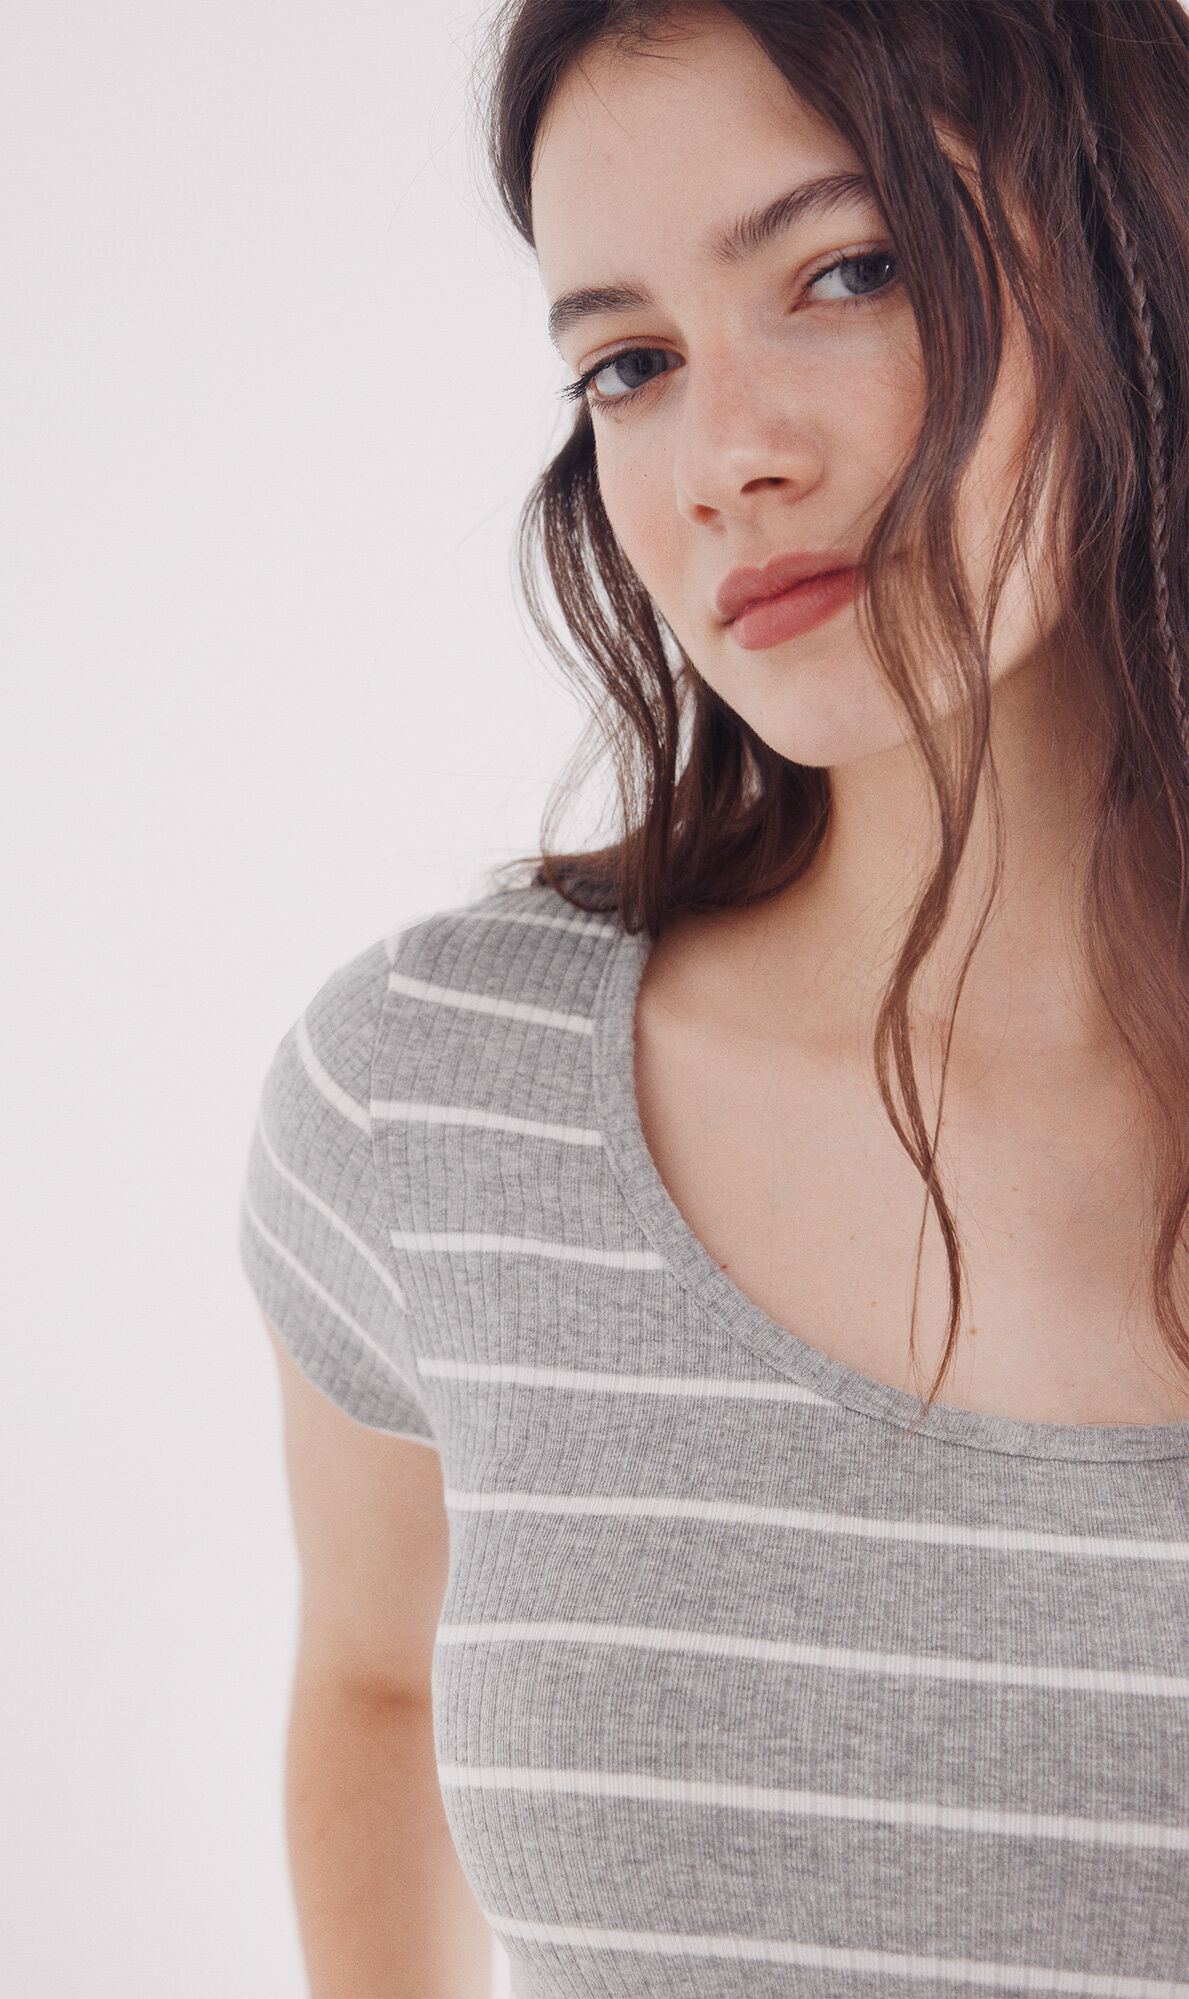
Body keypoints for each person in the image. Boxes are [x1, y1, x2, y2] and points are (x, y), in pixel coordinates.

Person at [238, 1, 1189, 1992]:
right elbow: (375, 1683)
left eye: (847, 271)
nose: (723, 461)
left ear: (1134, 239)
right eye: (632, 364)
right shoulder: (435, 1104)